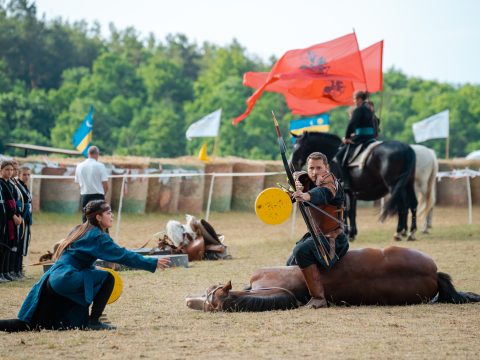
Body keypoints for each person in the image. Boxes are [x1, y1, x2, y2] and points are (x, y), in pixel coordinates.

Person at [0, 200, 171, 332]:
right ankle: (94, 321)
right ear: (98, 217)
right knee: (108, 278)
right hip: (66, 279)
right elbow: (124, 255)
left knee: (32, 325)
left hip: (52, 280)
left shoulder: (79, 228)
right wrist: (152, 262)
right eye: (108, 213)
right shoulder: (98, 236)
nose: (112, 216)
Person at [286, 152, 349, 309]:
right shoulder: (306, 180)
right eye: (311, 168)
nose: (315, 172)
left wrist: (306, 195)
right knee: (290, 261)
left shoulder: (331, 182)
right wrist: (293, 190)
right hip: (314, 236)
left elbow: (323, 193)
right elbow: (293, 186)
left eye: (319, 168)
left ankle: (318, 298)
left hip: (333, 240)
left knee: (301, 251)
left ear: (326, 167)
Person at [335, 90, 376, 189]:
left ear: (359, 99)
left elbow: (352, 124)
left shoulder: (358, 110)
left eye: (354, 99)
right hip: (371, 137)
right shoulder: (369, 109)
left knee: (339, 157)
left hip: (361, 138)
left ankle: (346, 182)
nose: (354, 101)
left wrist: (347, 137)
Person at [0, 160, 22, 282]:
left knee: (9, 246)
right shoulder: (1, 184)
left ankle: (6, 271)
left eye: (11, 170)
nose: (9, 172)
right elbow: (6, 205)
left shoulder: (9, 184)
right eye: (7, 170)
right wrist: (12, 216)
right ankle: (2, 272)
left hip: (12, 219)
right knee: (3, 245)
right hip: (6, 219)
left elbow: (14, 203)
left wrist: (18, 215)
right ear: (1, 170)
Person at [75, 146, 109, 223]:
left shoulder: (79, 166)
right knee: (101, 221)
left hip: (85, 196)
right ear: (97, 154)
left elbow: (78, 183)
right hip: (98, 196)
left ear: (88, 154)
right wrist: (103, 195)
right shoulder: (100, 166)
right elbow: (105, 185)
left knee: (86, 221)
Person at [15, 166, 33, 279]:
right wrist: (21, 216)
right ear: (19, 174)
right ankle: (15, 270)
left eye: (28, 174)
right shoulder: (17, 186)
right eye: (24, 174)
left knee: (24, 244)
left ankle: (19, 269)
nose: (26, 177)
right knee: (19, 244)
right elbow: (19, 203)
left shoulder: (25, 187)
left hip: (26, 219)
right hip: (21, 219)